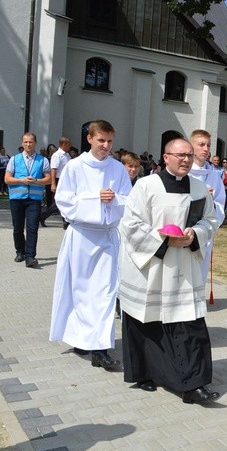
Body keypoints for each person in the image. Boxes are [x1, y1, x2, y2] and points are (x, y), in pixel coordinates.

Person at [119, 138, 221, 403]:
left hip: (183, 266)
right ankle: (145, 373)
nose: (186, 159)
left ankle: (193, 385)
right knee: (147, 321)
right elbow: (130, 226)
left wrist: (195, 234)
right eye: (180, 155)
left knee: (190, 323)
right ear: (166, 157)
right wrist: (163, 239)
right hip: (152, 266)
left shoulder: (199, 188)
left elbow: (210, 220)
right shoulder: (146, 186)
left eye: (189, 155)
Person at [49, 120, 132, 370]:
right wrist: (95, 198)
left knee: (105, 292)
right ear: (90, 139)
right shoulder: (75, 166)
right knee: (79, 289)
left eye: (110, 141)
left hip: (106, 236)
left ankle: (100, 349)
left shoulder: (117, 169)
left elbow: (129, 200)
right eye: (101, 140)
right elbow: (64, 201)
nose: (106, 146)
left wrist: (114, 198)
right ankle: (80, 338)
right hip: (81, 236)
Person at [4, 132, 51, 266]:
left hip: (34, 199)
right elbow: (7, 179)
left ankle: (30, 256)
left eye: (30, 142)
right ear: (22, 143)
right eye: (25, 142)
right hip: (17, 198)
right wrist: (21, 180)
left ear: (35, 143)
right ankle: (20, 252)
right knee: (17, 228)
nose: (28, 144)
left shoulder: (43, 160)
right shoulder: (14, 159)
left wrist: (36, 180)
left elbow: (48, 179)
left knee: (32, 228)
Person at [188, 129, 226, 286]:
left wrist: (210, 202)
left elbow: (221, 205)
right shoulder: (184, 171)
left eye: (208, 145)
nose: (206, 149)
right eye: (201, 144)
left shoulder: (214, 176)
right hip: (184, 231)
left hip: (204, 232)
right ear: (191, 146)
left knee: (200, 275)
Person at [40, 136, 73, 228]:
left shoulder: (67, 155)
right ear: (64, 144)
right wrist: (53, 183)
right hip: (59, 180)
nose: (70, 146)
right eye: (69, 144)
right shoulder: (57, 155)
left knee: (64, 200)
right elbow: (53, 170)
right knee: (59, 202)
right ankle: (43, 216)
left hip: (66, 180)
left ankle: (65, 222)